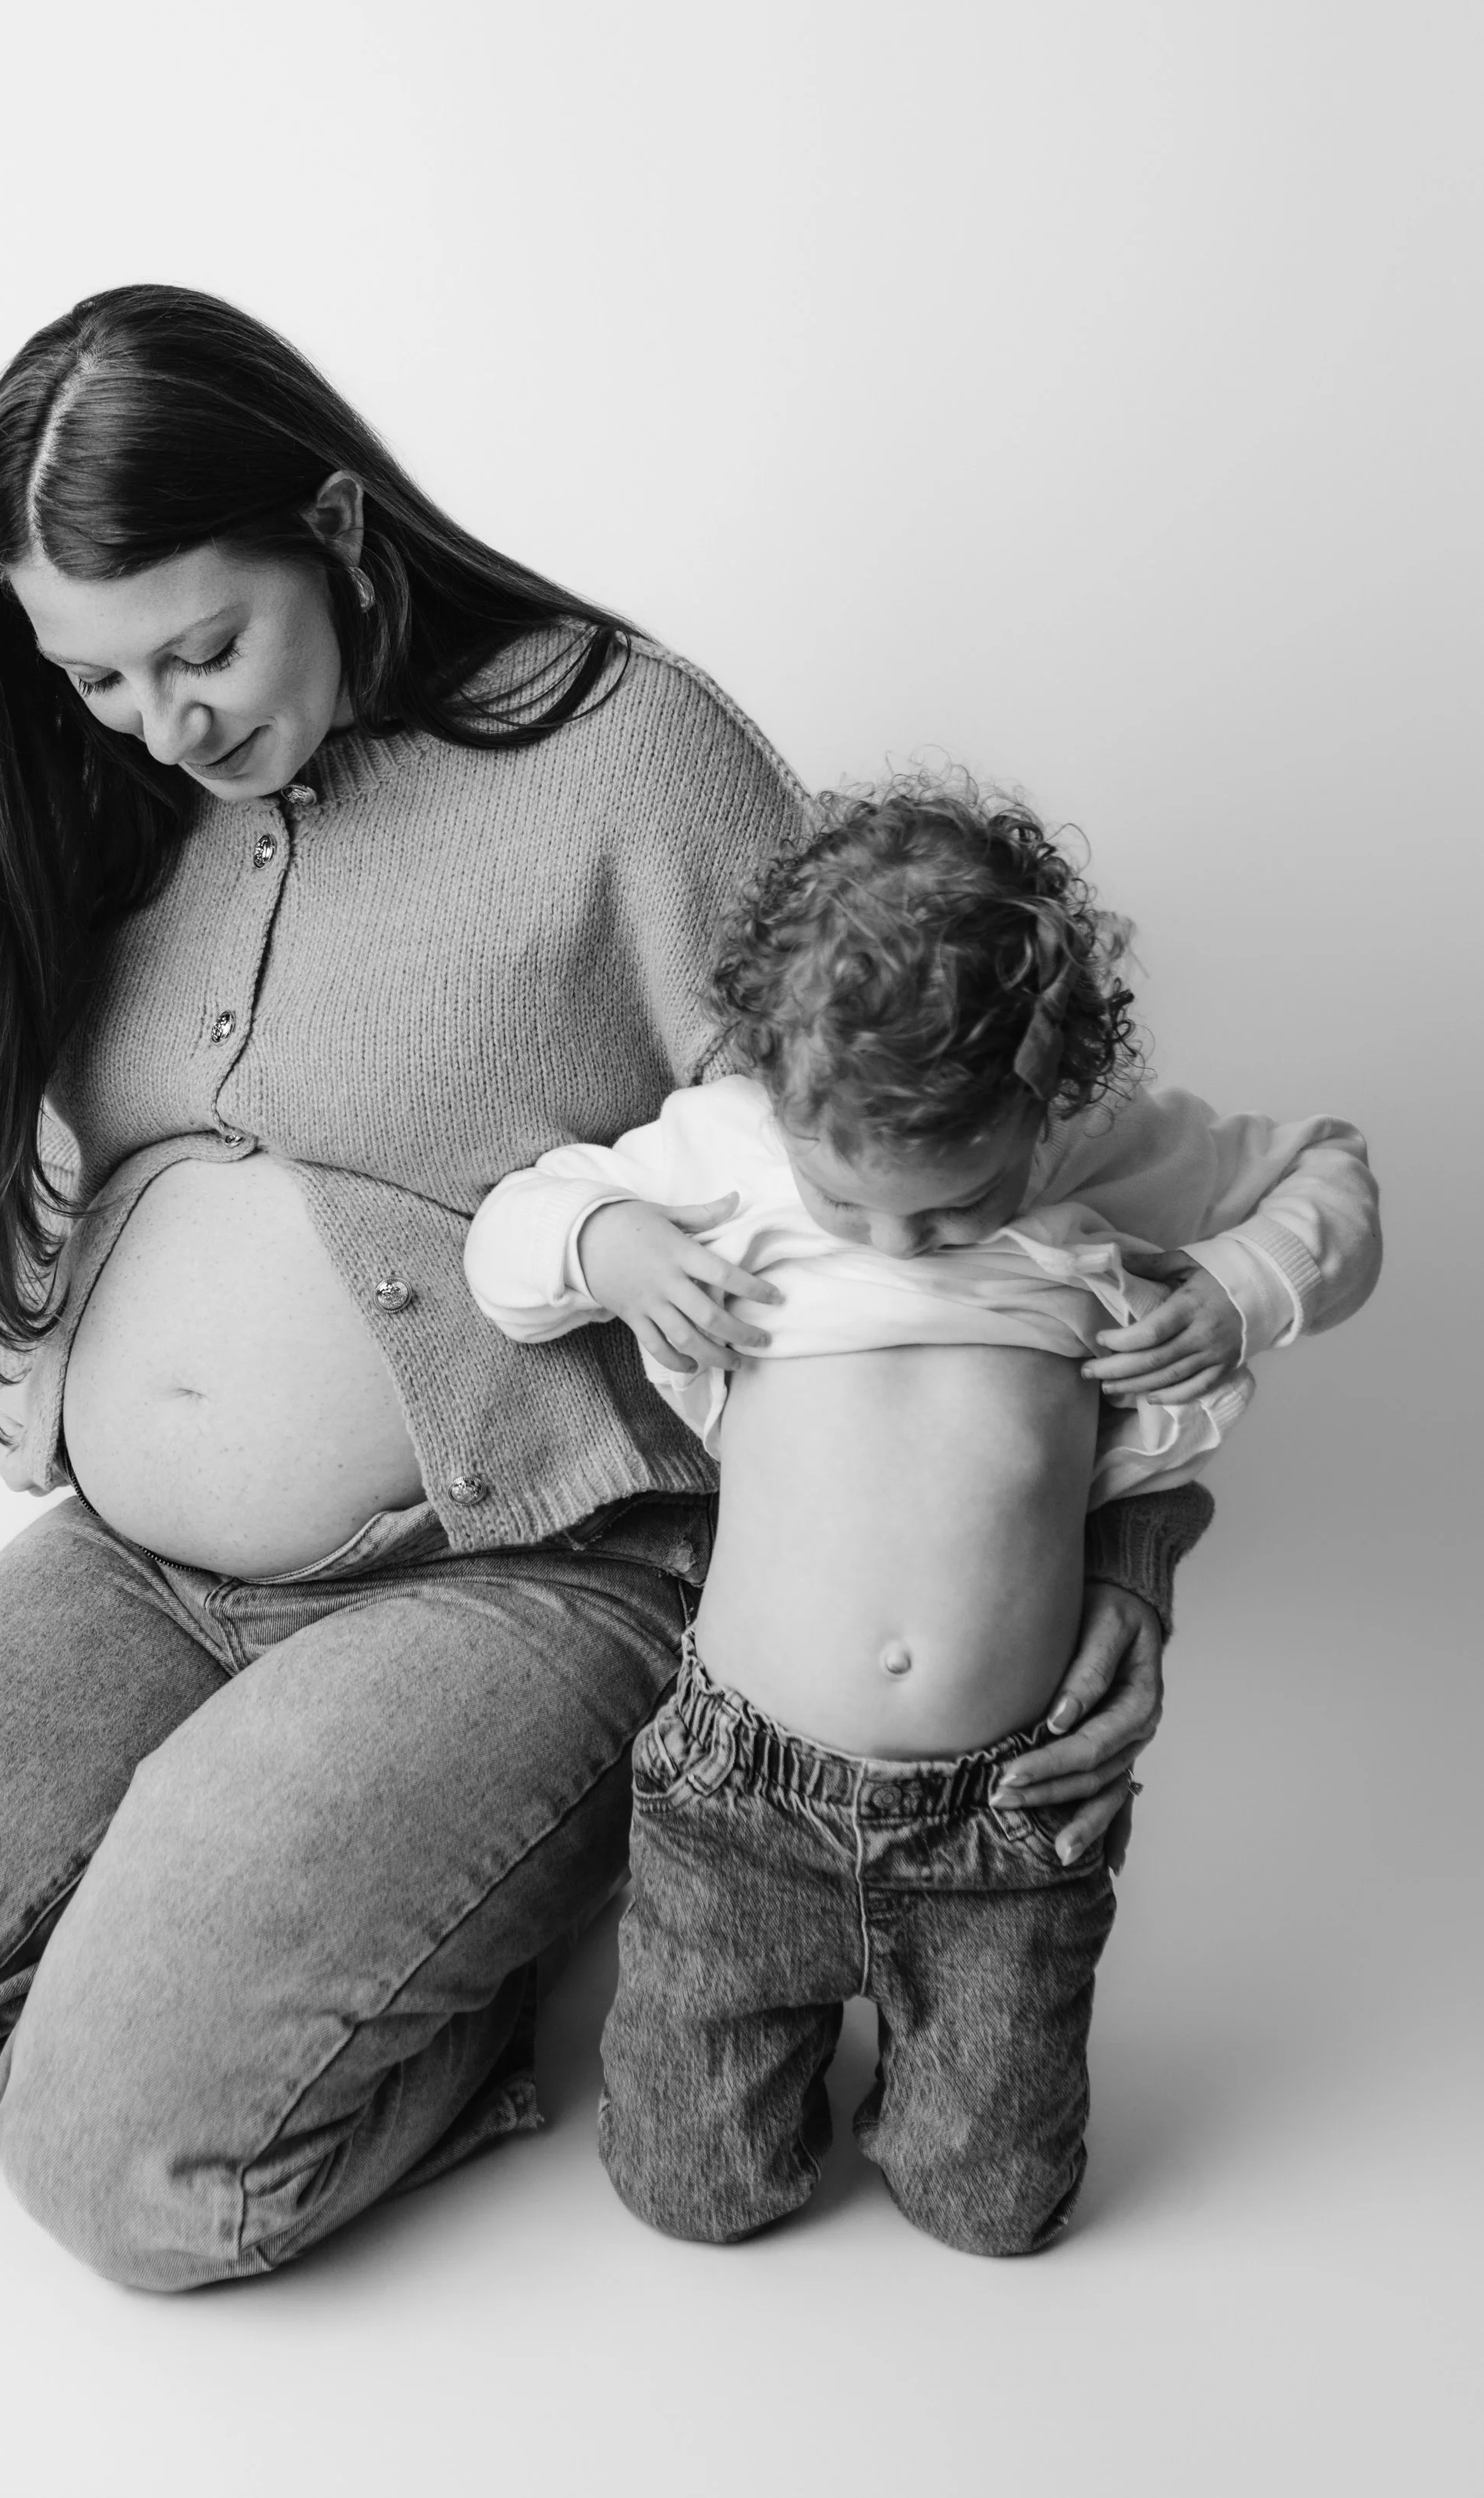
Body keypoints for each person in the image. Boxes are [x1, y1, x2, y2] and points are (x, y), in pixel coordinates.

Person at [0, 290, 1203, 2291]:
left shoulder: (620, 755)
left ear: (332, 522)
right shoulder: (128, 792)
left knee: (124, 2159)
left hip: (530, 1568)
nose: (163, 720)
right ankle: (252, 1900)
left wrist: (1120, 1566)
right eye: (96, 676)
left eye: (202, 644)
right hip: (145, 1566)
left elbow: (949, 1167)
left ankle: (459, 1980)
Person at [465, 776, 1379, 2255]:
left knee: (998, 2207)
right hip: (737, 1792)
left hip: (1004, 1820)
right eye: (854, 1204)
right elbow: (507, 1241)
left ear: (1039, 1098)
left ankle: (936, 2063)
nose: (902, 1243)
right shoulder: (739, 1146)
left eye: (952, 1212)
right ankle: (753, 2050)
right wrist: (611, 1239)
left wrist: (1234, 1287)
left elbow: (1327, 1167)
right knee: (694, 2195)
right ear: (780, 1089)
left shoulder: (1093, 1149)